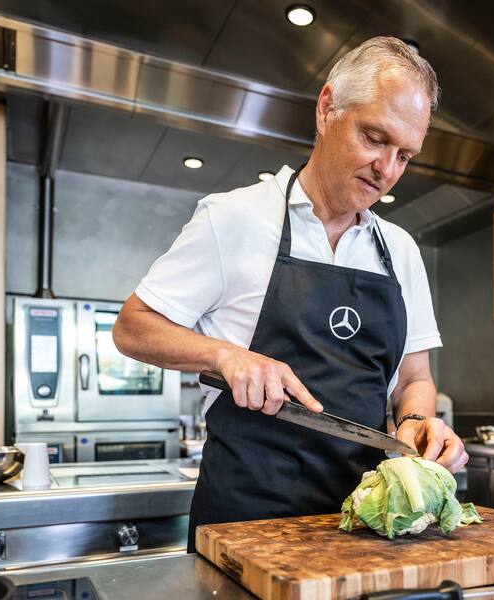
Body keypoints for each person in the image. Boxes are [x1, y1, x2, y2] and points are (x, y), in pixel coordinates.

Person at [112, 36, 468, 553]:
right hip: (245, 524)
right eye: (374, 138)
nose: (386, 171)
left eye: (404, 156)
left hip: (366, 521)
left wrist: (416, 422)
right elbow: (132, 326)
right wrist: (226, 355)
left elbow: (414, 377)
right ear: (327, 110)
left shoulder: (401, 250)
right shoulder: (233, 218)